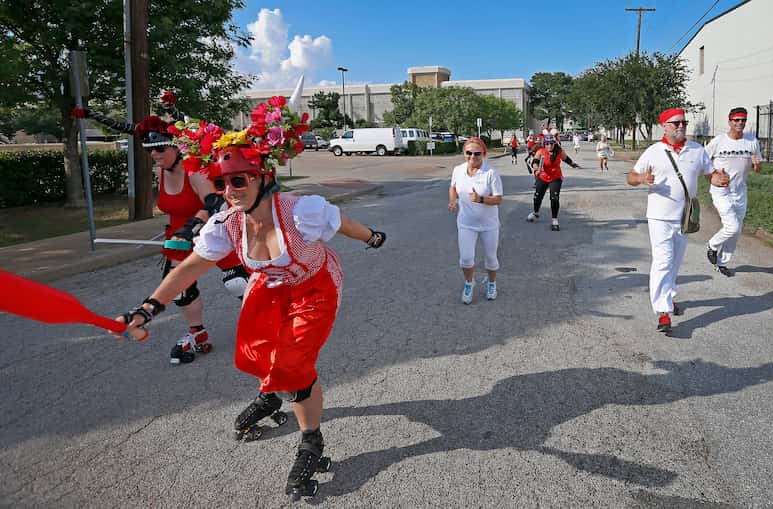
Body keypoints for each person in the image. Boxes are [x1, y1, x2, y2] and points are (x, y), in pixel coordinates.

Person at [117, 97, 386, 500]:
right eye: (222, 183)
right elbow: (190, 267)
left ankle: (312, 440)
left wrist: (372, 237)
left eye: (239, 180)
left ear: (263, 177)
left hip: (313, 285)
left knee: (295, 363)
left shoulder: (301, 212)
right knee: (253, 351)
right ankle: (270, 392)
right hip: (269, 286)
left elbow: (343, 223)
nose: (229, 191)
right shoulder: (226, 224)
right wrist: (148, 307)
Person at [72, 94, 249, 364]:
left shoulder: (194, 171)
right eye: (150, 150)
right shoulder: (162, 172)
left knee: (238, 283)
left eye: (160, 150)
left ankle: (269, 322)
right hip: (178, 240)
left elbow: (214, 201)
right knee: (179, 290)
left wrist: (193, 226)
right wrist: (93, 115)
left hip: (212, 233)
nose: (154, 155)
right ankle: (197, 333)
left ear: (177, 149)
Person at [627, 108, 730, 334]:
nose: (681, 126)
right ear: (664, 126)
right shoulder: (654, 151)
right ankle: (663, 312)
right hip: (659, 216)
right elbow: (631, 177)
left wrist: (718, 179)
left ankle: (669, 296)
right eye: (675, 123)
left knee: (674, 262)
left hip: (684, 217)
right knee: (663, 260)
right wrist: (642, 178)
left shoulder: (696, 150)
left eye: (683, 122)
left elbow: (709, 173)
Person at [704, 107, 763, 277]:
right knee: (732, 227)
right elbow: (702, 162)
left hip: (740, 191)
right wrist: (712, 176)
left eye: (743, 120)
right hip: (721, 191)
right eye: (736, 120)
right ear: (729, 121)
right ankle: (712, 245)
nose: (740, 123)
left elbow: (758, 168)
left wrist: (757, 165)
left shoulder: (752, 141)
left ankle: (722, 263)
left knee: (736, 231)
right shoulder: (718, 141)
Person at [448, 138, 504, 304]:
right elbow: (452, 187)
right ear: (464, 154)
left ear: (484, 154)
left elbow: (499, 199)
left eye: (477, 153)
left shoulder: (490, 173)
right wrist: (453, 200)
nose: (473, 156)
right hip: (466, 223)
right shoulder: (458, 170)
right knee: (465, 258)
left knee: (491, 258)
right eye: (469, 153)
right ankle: (469, 282)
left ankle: (492, 283)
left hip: (489, 225)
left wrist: (481, 199)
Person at [526, 135, 580, 231]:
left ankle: (554, 219)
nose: (549, 145)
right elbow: (534, 162)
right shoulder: (540, 151)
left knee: (554, 197)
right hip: (543, 177)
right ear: (544, 144)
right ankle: (535, 212)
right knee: (537, 196)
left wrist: (573, 164)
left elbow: (566, 159)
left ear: (554, 144)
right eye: (547, 144)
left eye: (551, 143)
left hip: (555, 177)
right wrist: (536, 170)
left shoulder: (559, 151)